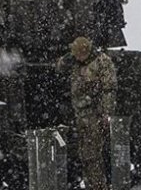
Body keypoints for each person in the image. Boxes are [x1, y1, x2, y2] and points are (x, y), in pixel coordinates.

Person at [57, 36, 117, 190]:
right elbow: (59, 67)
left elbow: (109, 90)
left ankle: (98, 186)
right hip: (81, 115)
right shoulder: (77, 62)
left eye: (78, 54)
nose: (77, 57)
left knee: (92, 155)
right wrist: (68, 57)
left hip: (95, 115)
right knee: (84, 154)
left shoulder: (102, 62)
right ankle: (91, 184)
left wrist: (106, 114)